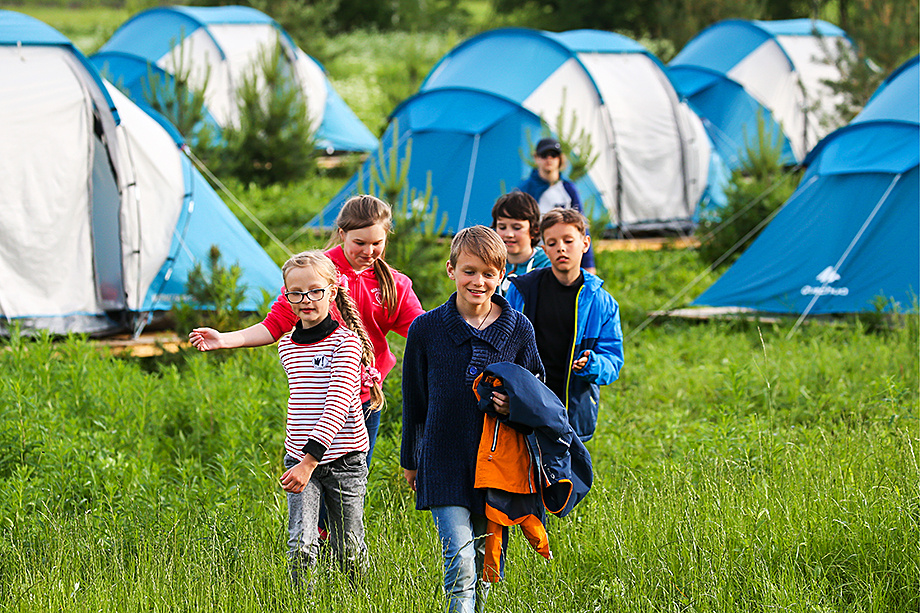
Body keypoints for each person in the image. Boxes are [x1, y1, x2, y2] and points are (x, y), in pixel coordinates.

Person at [189, 194, 425, 468]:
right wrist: (224, 339)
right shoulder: (317, 273)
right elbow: (274, 325)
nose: (368, 251)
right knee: (310, 480)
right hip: (316, 399)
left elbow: (422, 331)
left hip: (364, 400)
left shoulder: (393, 284)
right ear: (341, 234)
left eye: (377, 243)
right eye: (359, 243)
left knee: (352, 483)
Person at [401, 226, 544, 613]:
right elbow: (413, 400)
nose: (478, 282)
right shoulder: (426, 329)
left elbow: (537, 391)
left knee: (485, 564)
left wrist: (510, 406)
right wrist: (410, 461)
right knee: (460, 560)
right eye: (468, 271)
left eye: (488, 273)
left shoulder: (518, 329)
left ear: (501, 276)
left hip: (497, 463)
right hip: (443, 458)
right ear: (451, 270)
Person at [247, 251, 378, 577]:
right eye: (296, 293)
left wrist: (310, 461)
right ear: (286, 295)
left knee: (348, 547)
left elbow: (336, 405)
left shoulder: (346, 344)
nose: (306, 300)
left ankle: (358, 600)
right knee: (302, 543)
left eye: (316, 291)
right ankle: (303, 604)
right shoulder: (287, 345)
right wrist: (301, 461)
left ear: (332, 291)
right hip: (299, 461)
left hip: (343, 460)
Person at [505, 208, 623, 442]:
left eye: (568, 240)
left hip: (573, 410)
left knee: (568, 476)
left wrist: (592, 363)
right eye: (552, 242)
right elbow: (502, 344)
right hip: (526, 404)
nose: (561, 247)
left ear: (585, 243)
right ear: (544, 249)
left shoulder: (603, 303)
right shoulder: (522, 290)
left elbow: (613, 361)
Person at [518, 137, 595, 272]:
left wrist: (588, 263)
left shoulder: (568, 188)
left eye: (553, 155)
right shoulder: (526, 189)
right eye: (544, 155)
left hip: (565, 254)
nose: (549, 159)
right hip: (535, 256)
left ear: (560, 159)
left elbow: (581, 227)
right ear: (536, 158)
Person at [490, 191, 551, 296]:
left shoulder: (547, 266)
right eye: (502, 227)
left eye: (517, 227)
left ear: (535, 230)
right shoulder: (490, 263)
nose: (509, 234)